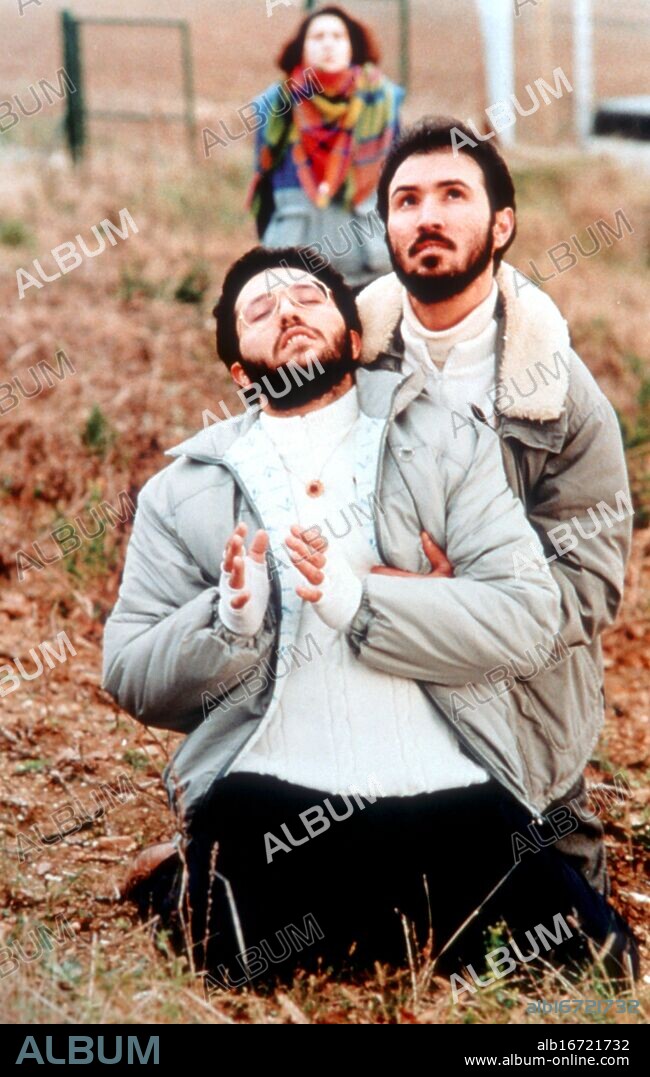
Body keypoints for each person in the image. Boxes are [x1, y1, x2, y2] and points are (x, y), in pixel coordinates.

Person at [102, 246, 638, 987]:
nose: (286, 310)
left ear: (354, 339)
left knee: (597, 965)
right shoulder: (181, 491)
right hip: (270, 793)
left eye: (308, 298)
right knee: (236, 962)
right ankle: (175, 880)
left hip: (448, 787)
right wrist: (228, 619)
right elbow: (128, 672)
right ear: (239, 372)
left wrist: (366, 600)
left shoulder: (450, 446)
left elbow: (529, 617)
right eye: (260, 310)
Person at [355, 115, 634, 899]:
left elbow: (588, 585)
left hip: (514, 696)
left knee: (559, 923)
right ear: (386, 226)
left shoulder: (562, 400)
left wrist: (453, 602)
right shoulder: (339, 365)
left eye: (453, 194)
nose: (428, 216)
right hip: (367, 669)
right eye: (406, 200)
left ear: (502, 223)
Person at [247, 5, 403, 287]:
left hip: (370, 270)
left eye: (338, 36)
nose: (328, 43)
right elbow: (264, 194)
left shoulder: (384, 102)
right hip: (294, 274)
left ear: (352, 46)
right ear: (302, 47)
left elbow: (399, 185)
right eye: (317, 37)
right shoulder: (274, 106)